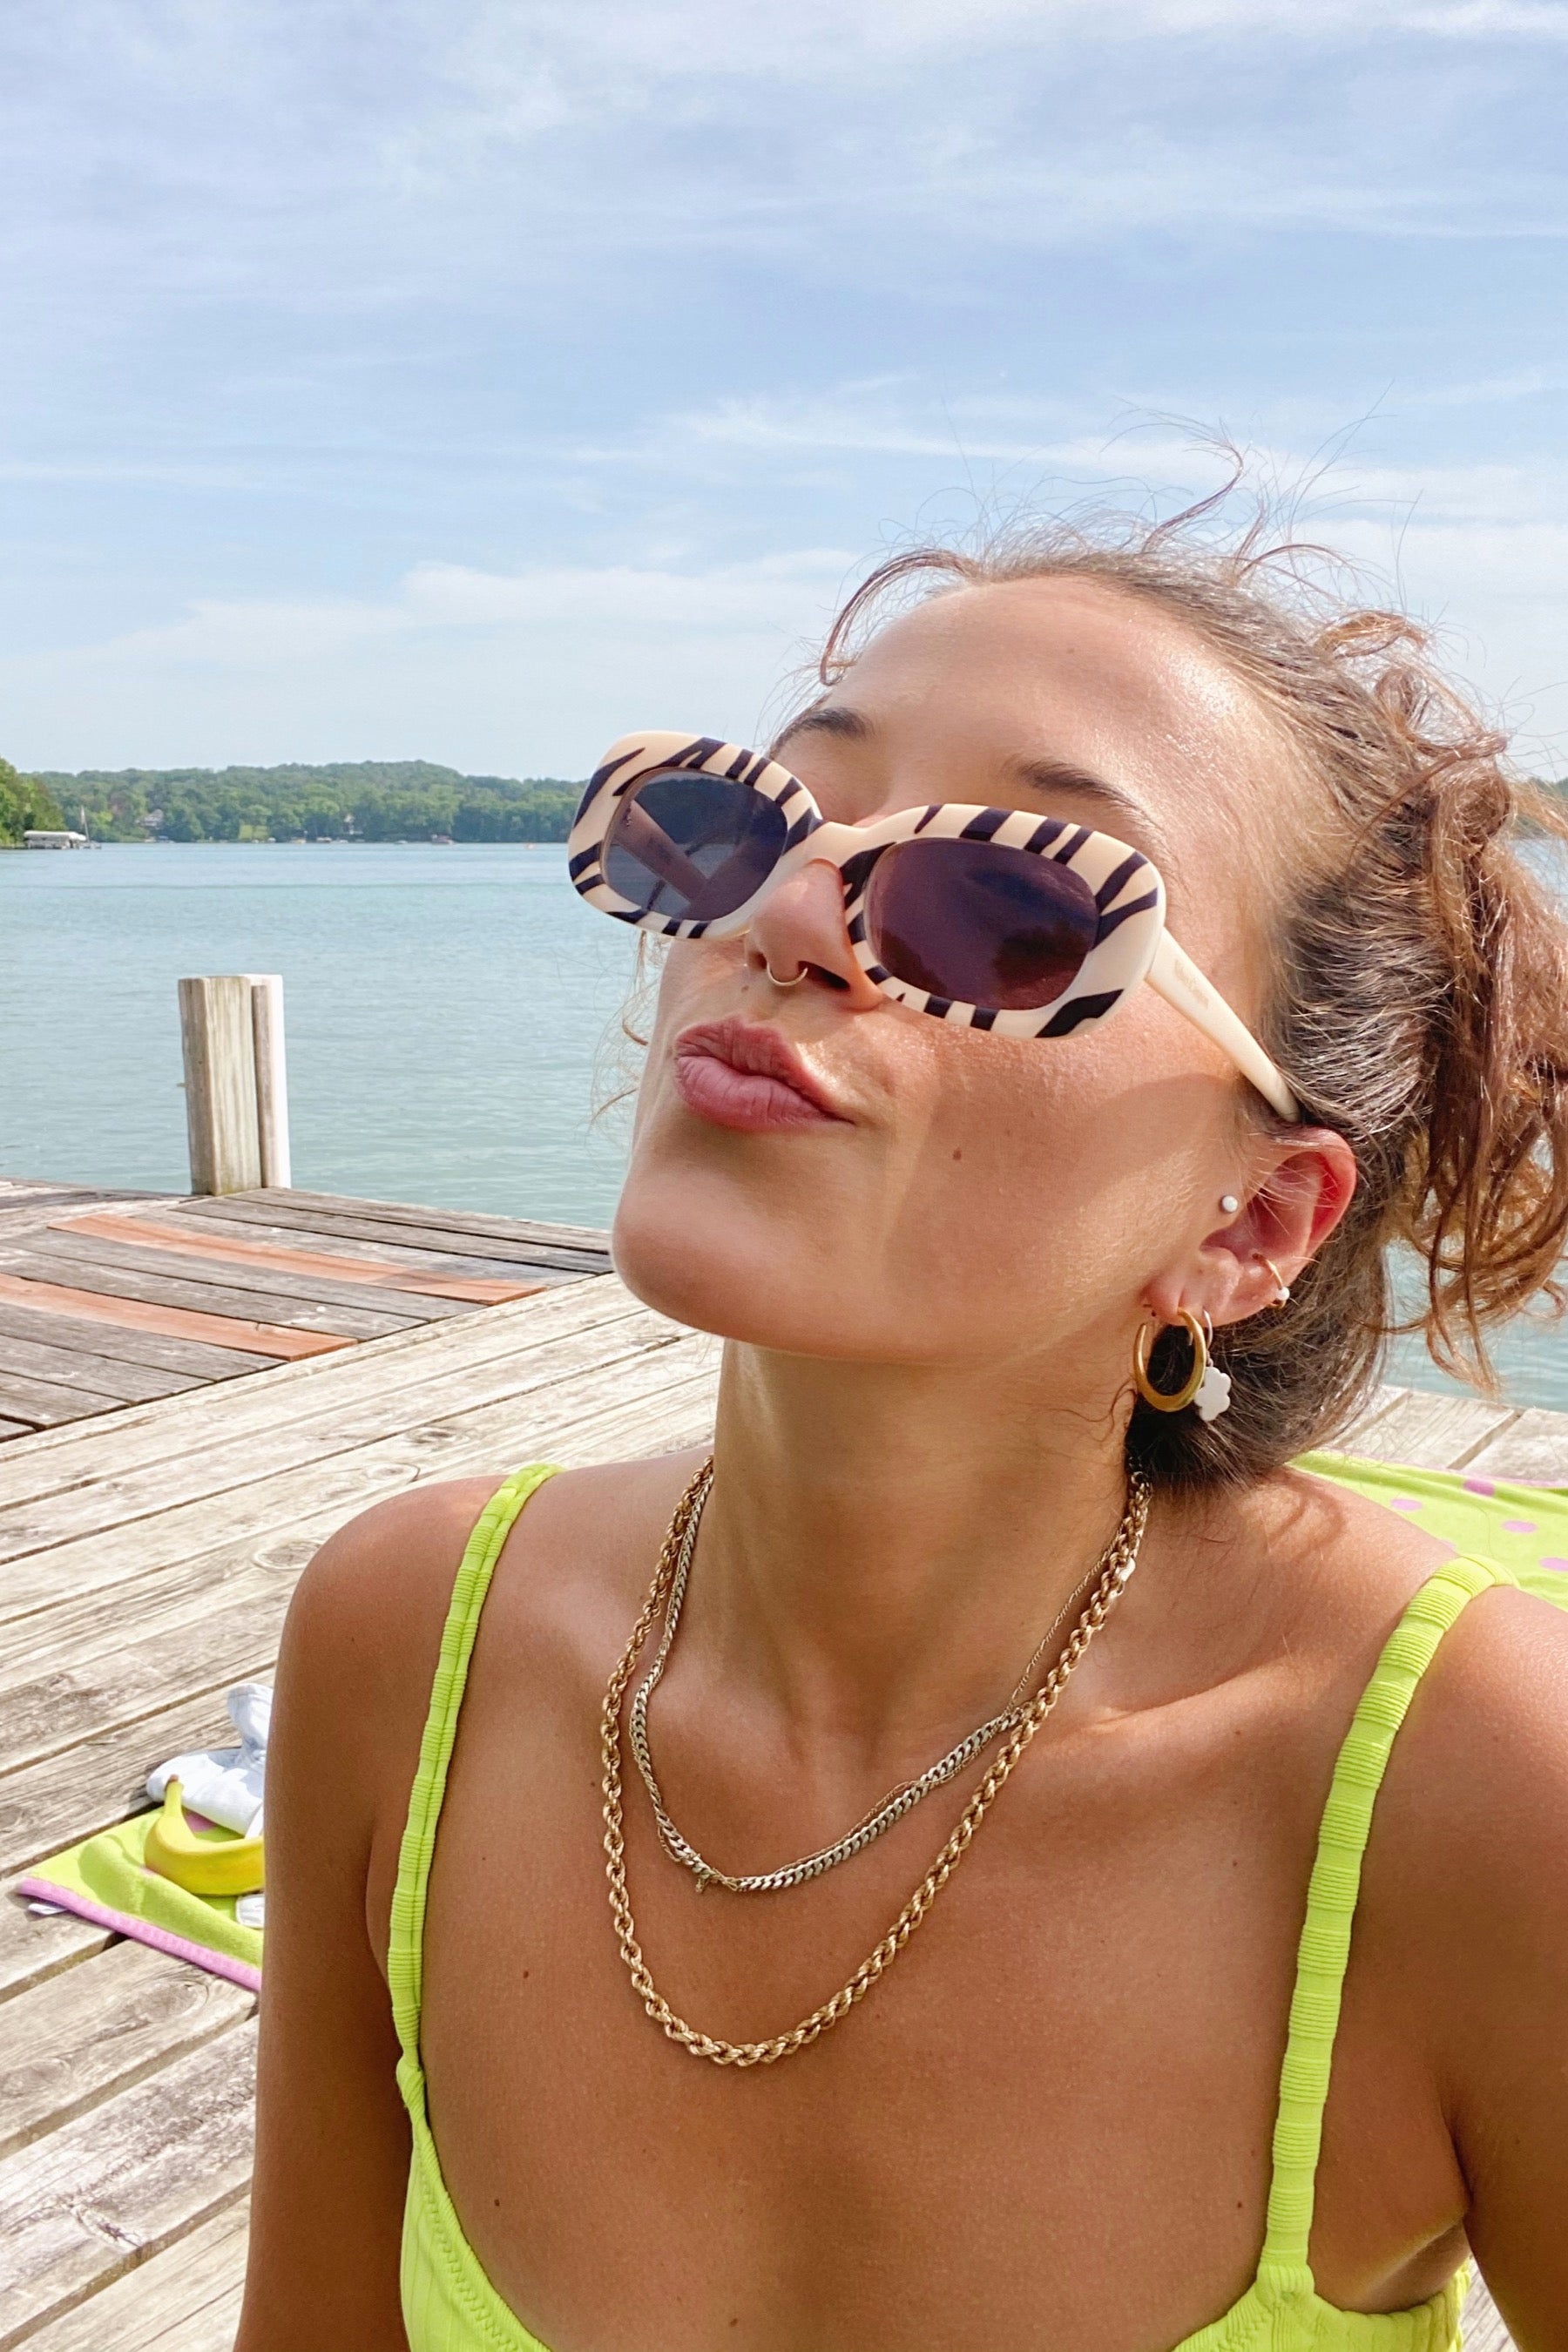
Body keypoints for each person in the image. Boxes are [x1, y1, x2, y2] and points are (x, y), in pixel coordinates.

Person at [236, 515, 1568, 2352]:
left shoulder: (1481, 1796)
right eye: (749, 826)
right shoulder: (405, 1645)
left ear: (1254, 1219)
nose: (788, 922)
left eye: (1007, 910)